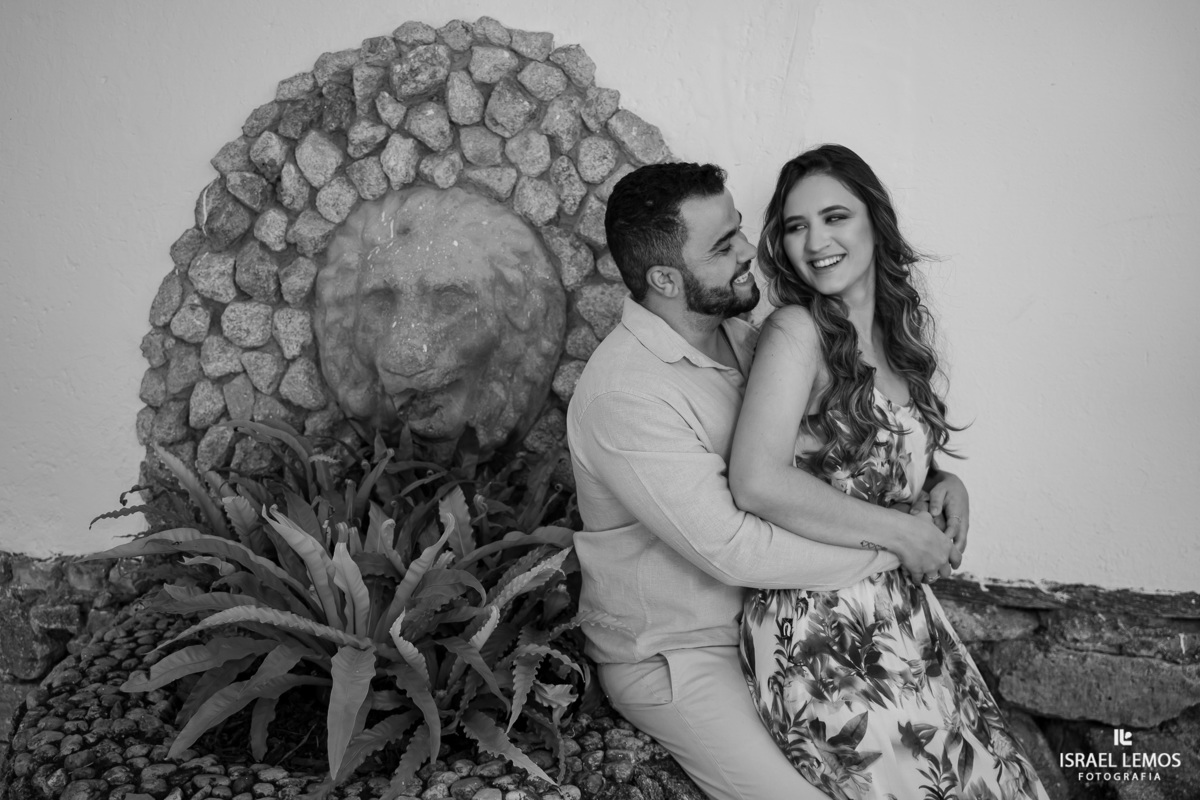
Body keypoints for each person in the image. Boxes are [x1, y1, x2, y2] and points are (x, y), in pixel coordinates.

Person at [566, 161, 968, 800]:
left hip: (788, 622)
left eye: (740, 231)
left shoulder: (744, 336)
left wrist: (940, 480)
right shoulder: (626, 394)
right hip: (685, 655)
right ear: (666, 278)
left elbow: (840, 444)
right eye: (722, 247)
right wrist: (896, 547)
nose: (749, 253)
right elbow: (733, 549)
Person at [731, 144, 1048, 799]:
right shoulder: (795, 332)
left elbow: (879, 466)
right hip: (816, 625)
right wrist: (902, 536)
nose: (815, 241)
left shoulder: (899, 344)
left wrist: (944, 485)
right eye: (796, 227)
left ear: (875, 221)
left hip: (902, 615)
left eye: (834, 217)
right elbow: (757, 480)